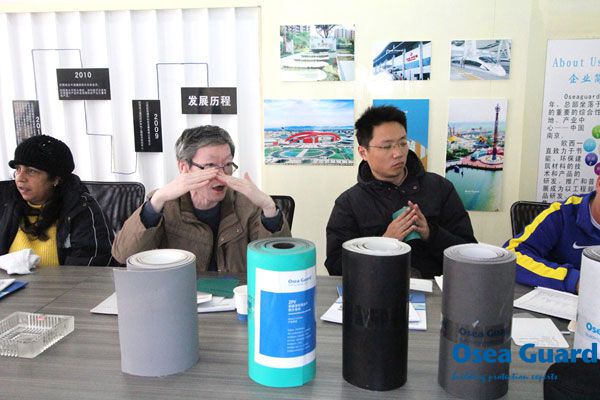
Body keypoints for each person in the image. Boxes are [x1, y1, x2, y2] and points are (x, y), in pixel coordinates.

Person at [112, 125, 291, 273]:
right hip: (180, 295)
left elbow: (280, 264)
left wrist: (269, 207)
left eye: (228, 164)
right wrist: (156, 201)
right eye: (210, 165)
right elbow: (123, 255)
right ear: (184, 167)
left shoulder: (246, 203)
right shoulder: (164, 204)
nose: (221, 175)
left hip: (237, 296)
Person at [325, 105, 477, 278]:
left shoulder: (440, 188)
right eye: (386, 146)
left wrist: (430, 233)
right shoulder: (348, 203)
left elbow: (469, 252)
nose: (398, 153)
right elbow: (336, 266)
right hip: (376, 290)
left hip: (436, 289)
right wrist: (383, 243)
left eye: (403, 143)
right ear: (363, 152)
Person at [0, 135, 115, 266]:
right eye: (18, 169)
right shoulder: (5, 201)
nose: (20, 178)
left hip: (64, 280)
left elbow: (90, 268)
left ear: (55, 179)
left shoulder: (81, 209)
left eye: (31, 171)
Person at [504, 177, 600, 293]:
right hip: (560, 296)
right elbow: (512, 255)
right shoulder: (562, 214)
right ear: (599, 183)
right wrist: (576, 281)